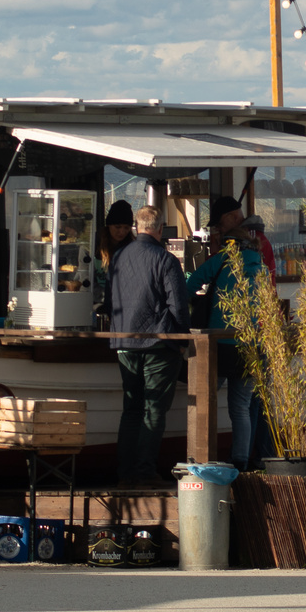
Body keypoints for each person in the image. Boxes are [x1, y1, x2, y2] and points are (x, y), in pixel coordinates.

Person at [104, 205, 188, 489]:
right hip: (157, 343)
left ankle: (125, 473)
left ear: (136, 227)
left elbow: (108, 301)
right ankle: (143, 472)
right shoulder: (165, 259)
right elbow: (178, 305)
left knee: (131, 409)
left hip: (124, 342)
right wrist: (182, 341)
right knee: (153, 409)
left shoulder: (117, 258)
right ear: (160, 228)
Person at [186, 195, 269, 469]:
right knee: (241, 406)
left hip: (220, 343)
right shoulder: (261, 267)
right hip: (252, 344)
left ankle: (202, 458)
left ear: (229, 243)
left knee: (205, 397)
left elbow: (190, 285)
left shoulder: (221, 260)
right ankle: (241, 461)